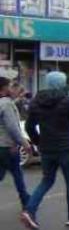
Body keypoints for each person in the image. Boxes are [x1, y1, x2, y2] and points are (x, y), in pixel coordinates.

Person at [21, 71, 69, 230]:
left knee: (46, 180)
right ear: (62, 84)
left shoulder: (36, 102)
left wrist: (39, 142)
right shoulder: (67, 101)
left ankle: (29, 210)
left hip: (47, 149)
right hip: (67, 147)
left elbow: (28, 126)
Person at [0, 77, 32, 210]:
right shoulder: (6, 104)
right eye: (10, 86)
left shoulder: (4, 103)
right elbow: (12, 127)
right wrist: (24, 143)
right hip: (8, 147)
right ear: (4, 88)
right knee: (17, 174)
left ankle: (26, 199)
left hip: (2, 146)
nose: (12, 88)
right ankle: (26, 201)